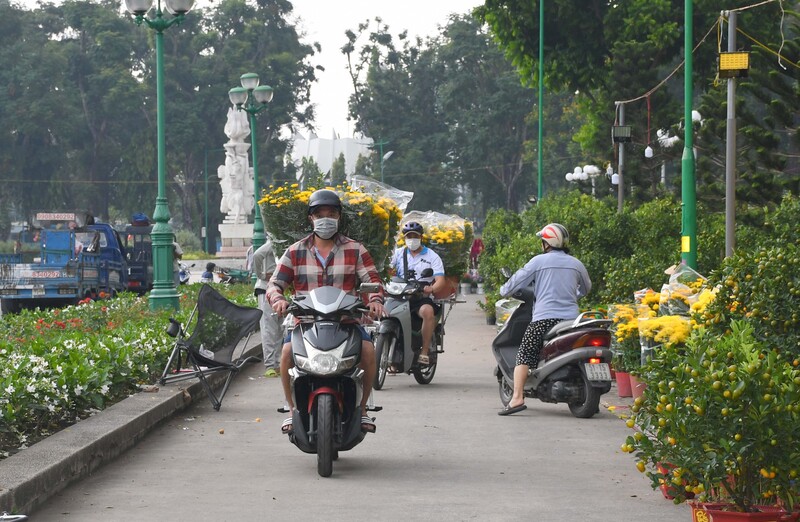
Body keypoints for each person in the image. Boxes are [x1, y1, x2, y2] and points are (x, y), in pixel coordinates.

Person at [267, 189, 384, 434]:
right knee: (287, 352)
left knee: (368, 351)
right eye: (320, 214)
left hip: (347, 322)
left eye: (331, 213)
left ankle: (362, 410)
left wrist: (374, 300)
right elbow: (275, 284)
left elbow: (373, 280)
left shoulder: (355, 249)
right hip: (306, 323)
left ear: (339, 217)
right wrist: (278, 299)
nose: (325, 219)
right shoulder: (295, 251)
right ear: (311, 218)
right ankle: (291, 409)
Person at [497, 223, 591, 416]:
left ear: (546, 243)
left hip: (544, 319)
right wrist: (572, 297)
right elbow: (586, 288)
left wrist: (504, 290)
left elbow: (516, 282)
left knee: (524, 354)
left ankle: (517, 398)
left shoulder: (538, 262)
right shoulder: (576, 263)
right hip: (572, 321)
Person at [389, 221, 447, 366]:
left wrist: (431, 289)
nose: (412, 239)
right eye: (409, 236)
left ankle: (424, 351)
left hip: (421, 297)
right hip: (400, 294)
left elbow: (440, 280)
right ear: (404, 238)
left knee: (427, 312)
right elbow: (387, 271)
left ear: (421, 237)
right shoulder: (398, 254)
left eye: (415, 236)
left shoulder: (432, 256)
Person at [252, 240, 283, 377]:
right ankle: (270, 365)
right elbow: (257, 254)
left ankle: (277, 364)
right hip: (266, 289)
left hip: (280, 290)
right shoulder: (276, 241)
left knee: (280, 328)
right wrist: (262, 275)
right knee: (269, 328)